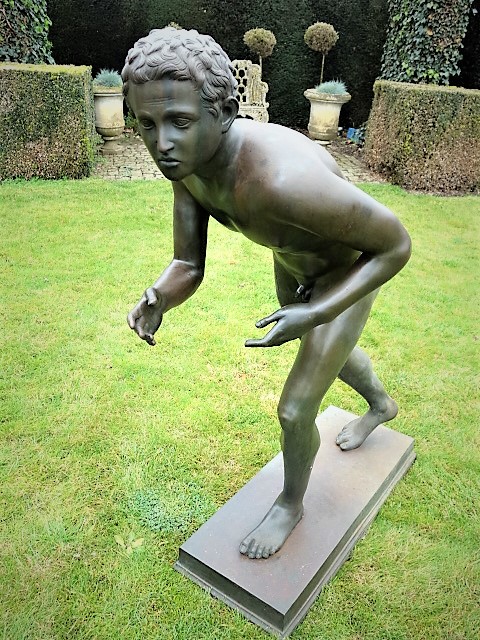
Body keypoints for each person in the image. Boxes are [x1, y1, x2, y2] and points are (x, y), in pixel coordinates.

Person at [122, 28, 411, 560]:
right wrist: (160, 296)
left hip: (344, 274)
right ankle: (381, 404)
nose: (161, 143)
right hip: (292, 262)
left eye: (179, 122)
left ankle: (290, 505)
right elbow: (188, 262)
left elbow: (395, 245)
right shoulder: (188, 166)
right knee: (333, 359)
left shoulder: (282, 180)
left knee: (297, 408)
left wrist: (319, 311)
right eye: (147, 124)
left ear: (224, 110)